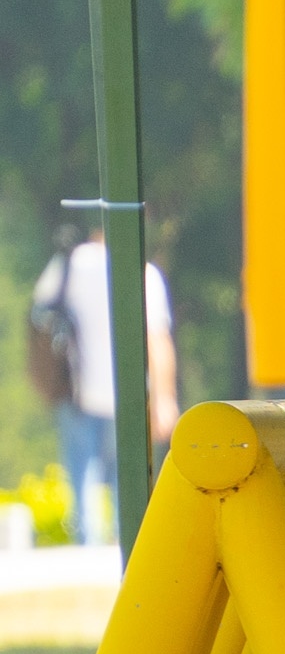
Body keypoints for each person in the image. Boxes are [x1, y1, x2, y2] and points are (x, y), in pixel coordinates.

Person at [28, 230, 175, 550]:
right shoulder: (144, 272)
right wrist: (164, 398)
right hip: (129, 392)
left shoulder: (70, 262)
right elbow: (157, 339)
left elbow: (40, 311)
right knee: (128, 477)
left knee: (83, 474)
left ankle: (88, 547)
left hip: (76, 387)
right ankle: (130, 546)